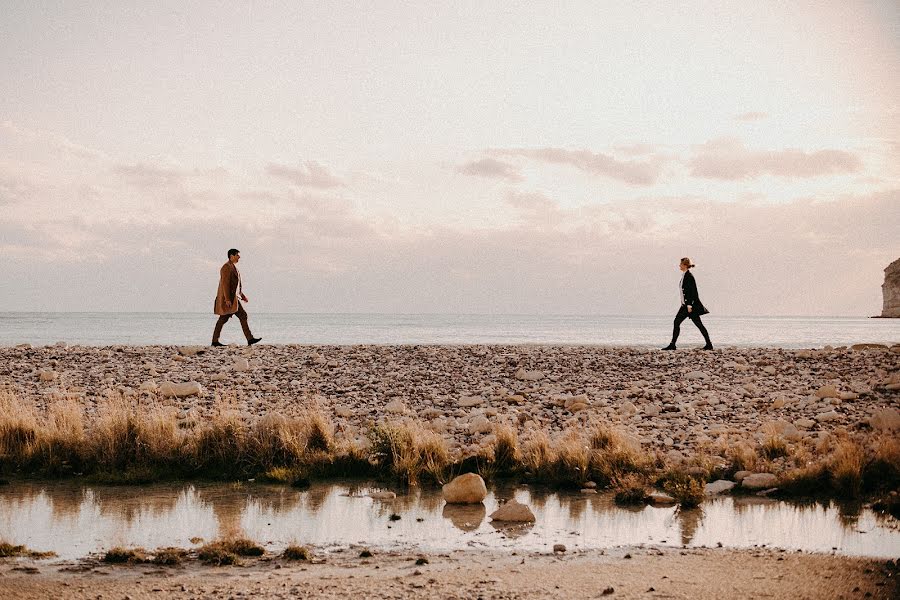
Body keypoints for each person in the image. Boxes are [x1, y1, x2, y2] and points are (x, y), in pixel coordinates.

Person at [212, 248, 262, 347]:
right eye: (237, 255)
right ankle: (249, 339)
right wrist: (227, 299)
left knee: (228, 318)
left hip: (233, 299)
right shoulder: (226, 267)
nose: (239, 257)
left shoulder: (233, 267)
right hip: (229, 299)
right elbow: (225, 284)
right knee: (232, 317)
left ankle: (249, 339)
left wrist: (242, 295)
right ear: (231, 256)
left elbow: (236, 285)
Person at [662, 257, 713, 350]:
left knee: (696, 324)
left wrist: (689, 305)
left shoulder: (689, 276)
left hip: (690, 306)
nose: (679, 265)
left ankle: (709, 344)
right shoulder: (684, 276)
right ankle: (673, 344)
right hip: (684, 306)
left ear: (685, 265)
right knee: (678, 322)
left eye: (680, 264)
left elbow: (693, 292)